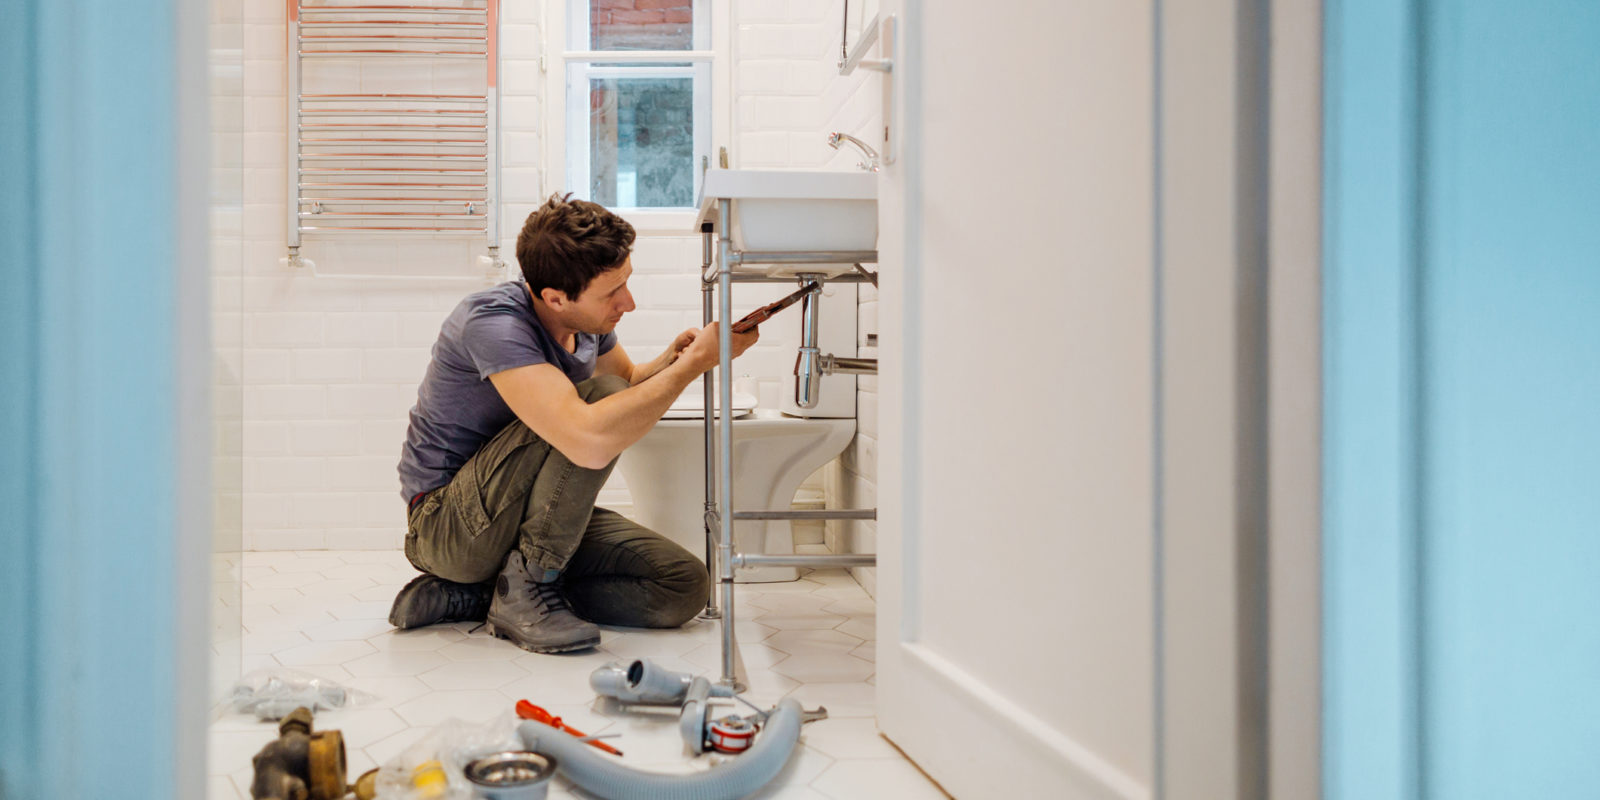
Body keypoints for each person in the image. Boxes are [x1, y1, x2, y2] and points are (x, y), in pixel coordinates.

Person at [389, 193, 759, 653]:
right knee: (596, 407)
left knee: (681, 585)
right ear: (555, 298)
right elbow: (588, 439)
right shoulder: (492, 323)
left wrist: (676, 359)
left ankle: (490, 593)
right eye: (612, 293)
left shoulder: (588, 320)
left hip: (517, 513)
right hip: (448, 526)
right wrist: (693, 368)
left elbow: (628, 383)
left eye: (625, 282)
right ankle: (528, 586)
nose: (629, 302)